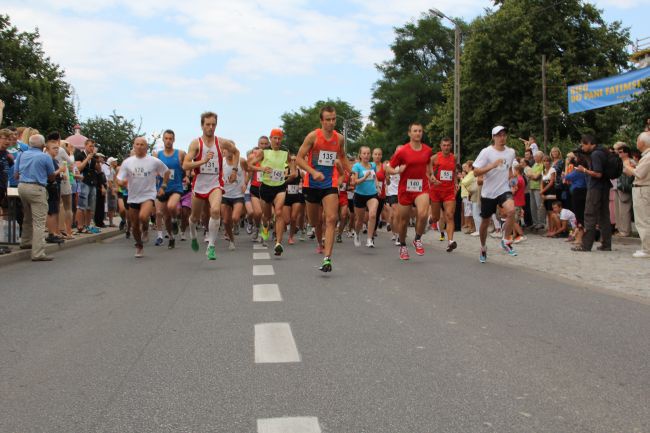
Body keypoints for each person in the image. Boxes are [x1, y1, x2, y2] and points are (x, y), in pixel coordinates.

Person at [296, 105, 350, 272]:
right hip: (312, 183)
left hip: (329, 183)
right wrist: (313, 172)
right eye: (328, 119)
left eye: (334, 119)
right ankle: (319, 241)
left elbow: (342, 157)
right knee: (315, 221)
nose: (331, 123)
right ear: (321, 121)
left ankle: (327, 258)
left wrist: (351, 172)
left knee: (331, 218)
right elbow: (299, 159)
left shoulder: (339, 138)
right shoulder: (313, 137)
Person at [182, 112, 239, 260]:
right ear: (202, 125)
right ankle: (193, 234)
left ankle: (211, 246)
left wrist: (234, 170)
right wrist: (202, 162)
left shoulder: (221, 142)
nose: (210, 127)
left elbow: (236, 151)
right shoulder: (196, 143)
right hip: (199, 185)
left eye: (213, 124)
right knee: (194, 218)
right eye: (207, 124)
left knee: (215, 210)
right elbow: (185, 164)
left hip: (215, 184)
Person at [116, 137, 170, 258]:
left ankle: (145, 229)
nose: (139, 146)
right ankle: (139, 245)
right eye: (137, 144)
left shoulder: (154, 161)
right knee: (134, 225)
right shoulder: (127, 162)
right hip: (133, 196)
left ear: (146, 147)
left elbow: (166, 172)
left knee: (143, 216)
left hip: (148, 195)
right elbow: (119, 178)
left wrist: (163, 186)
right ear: (134, 146)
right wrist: (121, 183)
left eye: (142, 144)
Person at [386, 123, 433, 260]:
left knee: (423, 214)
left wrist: (431, 174)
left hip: (421, 187)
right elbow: (388, 168)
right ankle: (403, 245)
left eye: (420, 131)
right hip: (405, 189)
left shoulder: (427, 150)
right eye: (415, 131)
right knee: (403, 221)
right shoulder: (402, 151)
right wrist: (396, 170)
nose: (418, 133)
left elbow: (428, 161)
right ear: (409, 133)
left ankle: (417, 239)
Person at [472, 126, 517, 263]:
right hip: (488, 192)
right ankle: (483, 247)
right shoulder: (486, 152)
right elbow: (475, 172)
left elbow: (509, 169)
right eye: (498, 135)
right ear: (493, 137)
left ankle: (506, 240)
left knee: (511, 210)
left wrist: (512, 180)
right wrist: (492, 165)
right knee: (485, 222)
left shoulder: (511, 152)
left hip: (503, 189)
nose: (502, 137)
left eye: (504, 135)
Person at [14, 134, 55, 260]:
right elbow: (52, 175)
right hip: (37, 188)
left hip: (22, 187)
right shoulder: (45, 157)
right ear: (43, 146)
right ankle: (38, 253)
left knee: (27, 216)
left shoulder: (21, 154)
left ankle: (25, 241)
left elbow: (16, 174)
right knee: (39, 221)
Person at [248, 128, 289, 256]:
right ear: (271, 139)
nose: (277, 141)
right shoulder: (263, 152)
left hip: (280, 186)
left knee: (278, 212)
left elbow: (288, 167)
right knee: (266, 216)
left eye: (279, 138)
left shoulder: (285, 152)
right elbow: (250, 165)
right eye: (275, 138)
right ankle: (265, 226)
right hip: (266, 187)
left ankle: (278, 243)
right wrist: (261, 168)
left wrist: (287, 172)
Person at [572, 135, 612, 252]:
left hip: (595, 188)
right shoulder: (603, 151)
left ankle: (586, 245)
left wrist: (583, 170)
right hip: (605, 187)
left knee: (589, 215)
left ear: (589, 143)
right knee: (604, 216)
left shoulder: (595, 154)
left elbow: (598, 173)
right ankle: (606, 244)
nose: (582, 147)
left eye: (583, 145)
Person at [153, 130, 186, 249]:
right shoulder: (157, 155)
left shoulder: (180, 153)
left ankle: (175, 219)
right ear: (163, 139)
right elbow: (153, 169)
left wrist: (187, 175)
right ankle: (171, 237)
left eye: (170, 138)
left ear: (174, 140)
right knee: (161, 215)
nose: (168, 141)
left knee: (171, 206)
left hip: (176, 187)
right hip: (162, 188)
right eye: (166, 138)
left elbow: (187, 166)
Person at [622, 131, 650, 258]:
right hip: (641, 188)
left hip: (643, 189)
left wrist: (627, 165)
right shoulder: (646, 156)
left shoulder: (648, 156)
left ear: (643, 143)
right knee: (642, 220)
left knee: (643, 221)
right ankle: (646, 247)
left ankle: (647, 249)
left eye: (638, 140)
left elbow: (639, 173)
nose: (636, 142)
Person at [429, 137, 458, 252]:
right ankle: (430, 221)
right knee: (436, 217)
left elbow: (454, 171)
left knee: (450, 215)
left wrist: (456, 182)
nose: (446, 147)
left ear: (451, 146)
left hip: (449, 191)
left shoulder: (454, 158)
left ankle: (450, 241)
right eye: (444, 145)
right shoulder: (434, 158)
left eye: (448, 145)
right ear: (440, 146)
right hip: (436, 191)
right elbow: (427, 169)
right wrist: (431, 177)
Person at [351, 146, 379, 248]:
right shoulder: (356, 167)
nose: (366, 155)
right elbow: (355, 182)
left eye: (368, 153)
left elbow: (375, 177)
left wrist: (377, 186)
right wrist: (365, 177)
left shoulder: (373, 165)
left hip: (372, 194)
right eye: (364, 153)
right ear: (360, 155)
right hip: (359, 195)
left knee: (372, 215)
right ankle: (357, 234)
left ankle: (369, 239)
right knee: (360, 220)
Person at [221, 145, 248, 250]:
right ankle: (231, 240)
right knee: (226, 221)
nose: (228, 152)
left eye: (231, 150)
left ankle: (236, 224)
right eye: (226, 150)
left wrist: (245, 182)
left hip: (238, 195)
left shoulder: (241, 161)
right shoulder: (221, 162)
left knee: (235, 218)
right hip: (225, 194)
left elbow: (249, 170)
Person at [74, 139, 102, 234]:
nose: (92, 148)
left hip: (92, 182)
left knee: (90, 206)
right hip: (83, 182)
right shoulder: (80, 155)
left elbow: (99, 170)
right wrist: (87, 158)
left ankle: (88, 226)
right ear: (85, 146)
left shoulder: (93, 158)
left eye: (93, 146)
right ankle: (80, 226)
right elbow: (79, 168)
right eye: (90, 146)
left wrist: (97, 161)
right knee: (81, 205)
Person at [247, 136, 270, 242]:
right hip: (255, 187)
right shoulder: (253, 156)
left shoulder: (271, 156)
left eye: (266, 144)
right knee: (257, 213)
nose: (264, 146)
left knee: (267, 214)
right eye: (262, 144)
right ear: (258, 144)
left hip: (268, 187)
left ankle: (264, 228)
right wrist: (245, 183)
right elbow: (249, 168)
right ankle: (257, 228)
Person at [44, 133, 65, 244]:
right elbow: (50, 175)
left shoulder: (54, 160)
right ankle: (51, 233)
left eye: (57, 148)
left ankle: (54, 232)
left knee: (55, 210)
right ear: (47, 149)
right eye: (54, 148)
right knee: (51, 211)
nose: (56, 150)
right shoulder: (48, 159)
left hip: (55, 186)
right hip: (50, 187)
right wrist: (60, 171)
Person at [613, 143, 634, 237]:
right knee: (618, 210)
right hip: (617, 186)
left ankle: (625, 231)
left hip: (625, 187)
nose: (619, 153)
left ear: (626, 153)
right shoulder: (619, 161)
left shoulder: (631, 161)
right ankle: (620, 229)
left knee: (625, 210)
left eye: (621, 152)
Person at [283, 154, 305, 245]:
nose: (293, 162)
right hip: (286, 196)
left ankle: (291, 237)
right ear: (288, 162)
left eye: (295, 160)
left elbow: (306, 183)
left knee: (293, 218)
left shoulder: (301, 172)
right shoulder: (285, 171)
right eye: (291, 160)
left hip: (296, 196)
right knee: (287, 220)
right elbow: (281, 182)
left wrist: (301, 185)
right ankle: (281, 228)